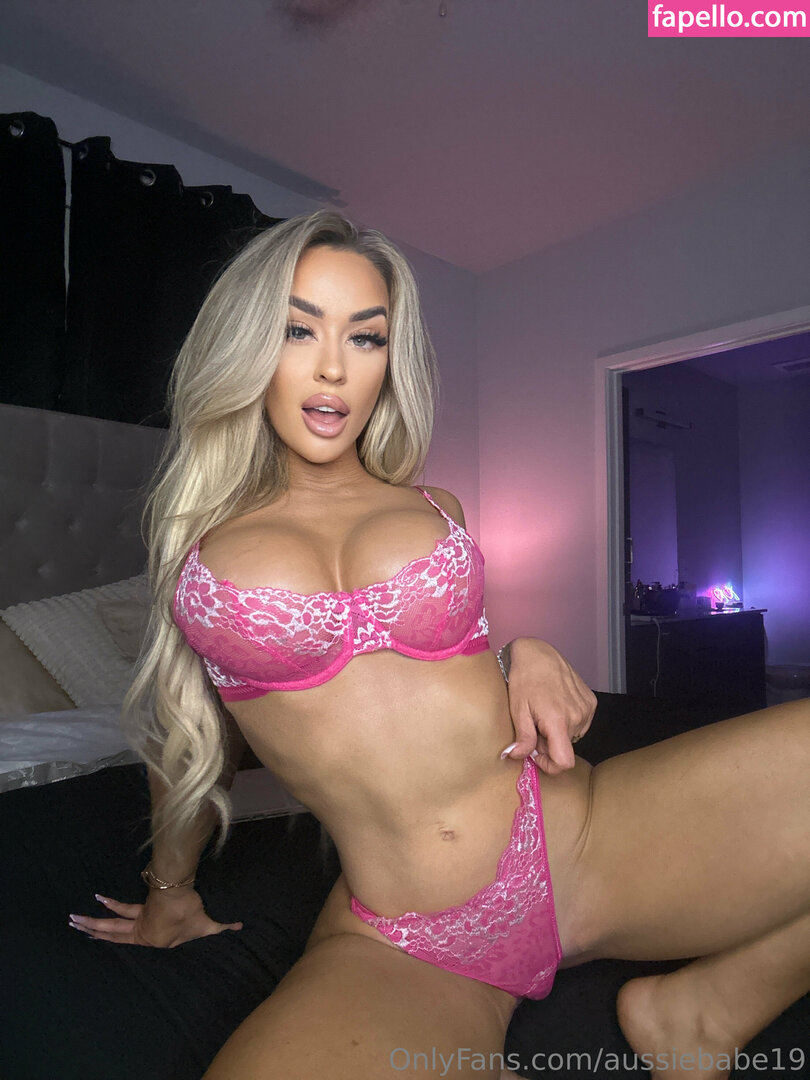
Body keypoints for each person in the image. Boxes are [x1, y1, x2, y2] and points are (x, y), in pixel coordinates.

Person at [70, 211, 809, 1080]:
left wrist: (523, 650)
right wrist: (171, 892)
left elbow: (436, 681)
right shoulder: (198, 554)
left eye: (366, 337)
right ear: (247, 344)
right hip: (406, 938)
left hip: (584, 839)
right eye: (299, 330)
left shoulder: (433, 508)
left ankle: (707, 1011)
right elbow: (182, 738)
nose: (335, 368)